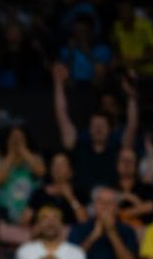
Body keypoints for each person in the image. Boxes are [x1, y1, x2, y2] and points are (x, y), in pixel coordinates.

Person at [52, 64, 139, 193]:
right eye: (94, 126)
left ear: (110, 129)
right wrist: (58, 84)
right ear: (89, 128)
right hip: (82, 201)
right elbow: (62, 116)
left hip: (110, 199)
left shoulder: (117, 145)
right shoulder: (79, 144)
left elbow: (132, 125)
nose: (98, 129)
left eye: (102, 126)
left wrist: (131, 97)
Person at [68, 186, 139, 259]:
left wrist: (111, 232)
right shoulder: (80, 229)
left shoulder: (127, 231)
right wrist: (93, 236)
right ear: (94, 206)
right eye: (101, 202)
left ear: (117, 208)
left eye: (110, 202)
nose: (105, 206)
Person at [14, 205, 87, 259]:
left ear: (62, 224)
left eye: (55, 218)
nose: (50, 223)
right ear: (38, 224)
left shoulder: (77, 253)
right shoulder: (24, 251)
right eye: (45, 218)